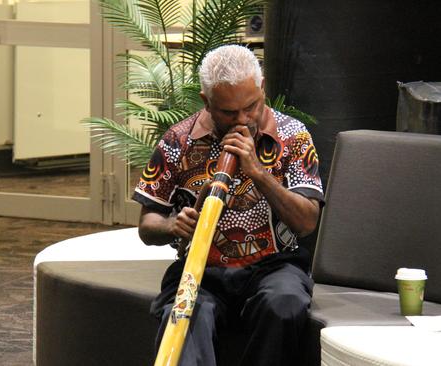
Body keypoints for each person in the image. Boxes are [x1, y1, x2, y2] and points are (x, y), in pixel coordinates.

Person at [132, 44, 324, 366]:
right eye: (229, 112)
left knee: (285, 302)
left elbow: (307, 222)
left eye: (252, 106)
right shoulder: (178, 141)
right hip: (201, 266)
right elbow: (147, 224)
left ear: (262, 88)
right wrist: (172, 225)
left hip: (275, 265)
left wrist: (259, 173)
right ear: (207, 101)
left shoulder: (293, 136)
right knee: (186, 314)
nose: (244, 119)